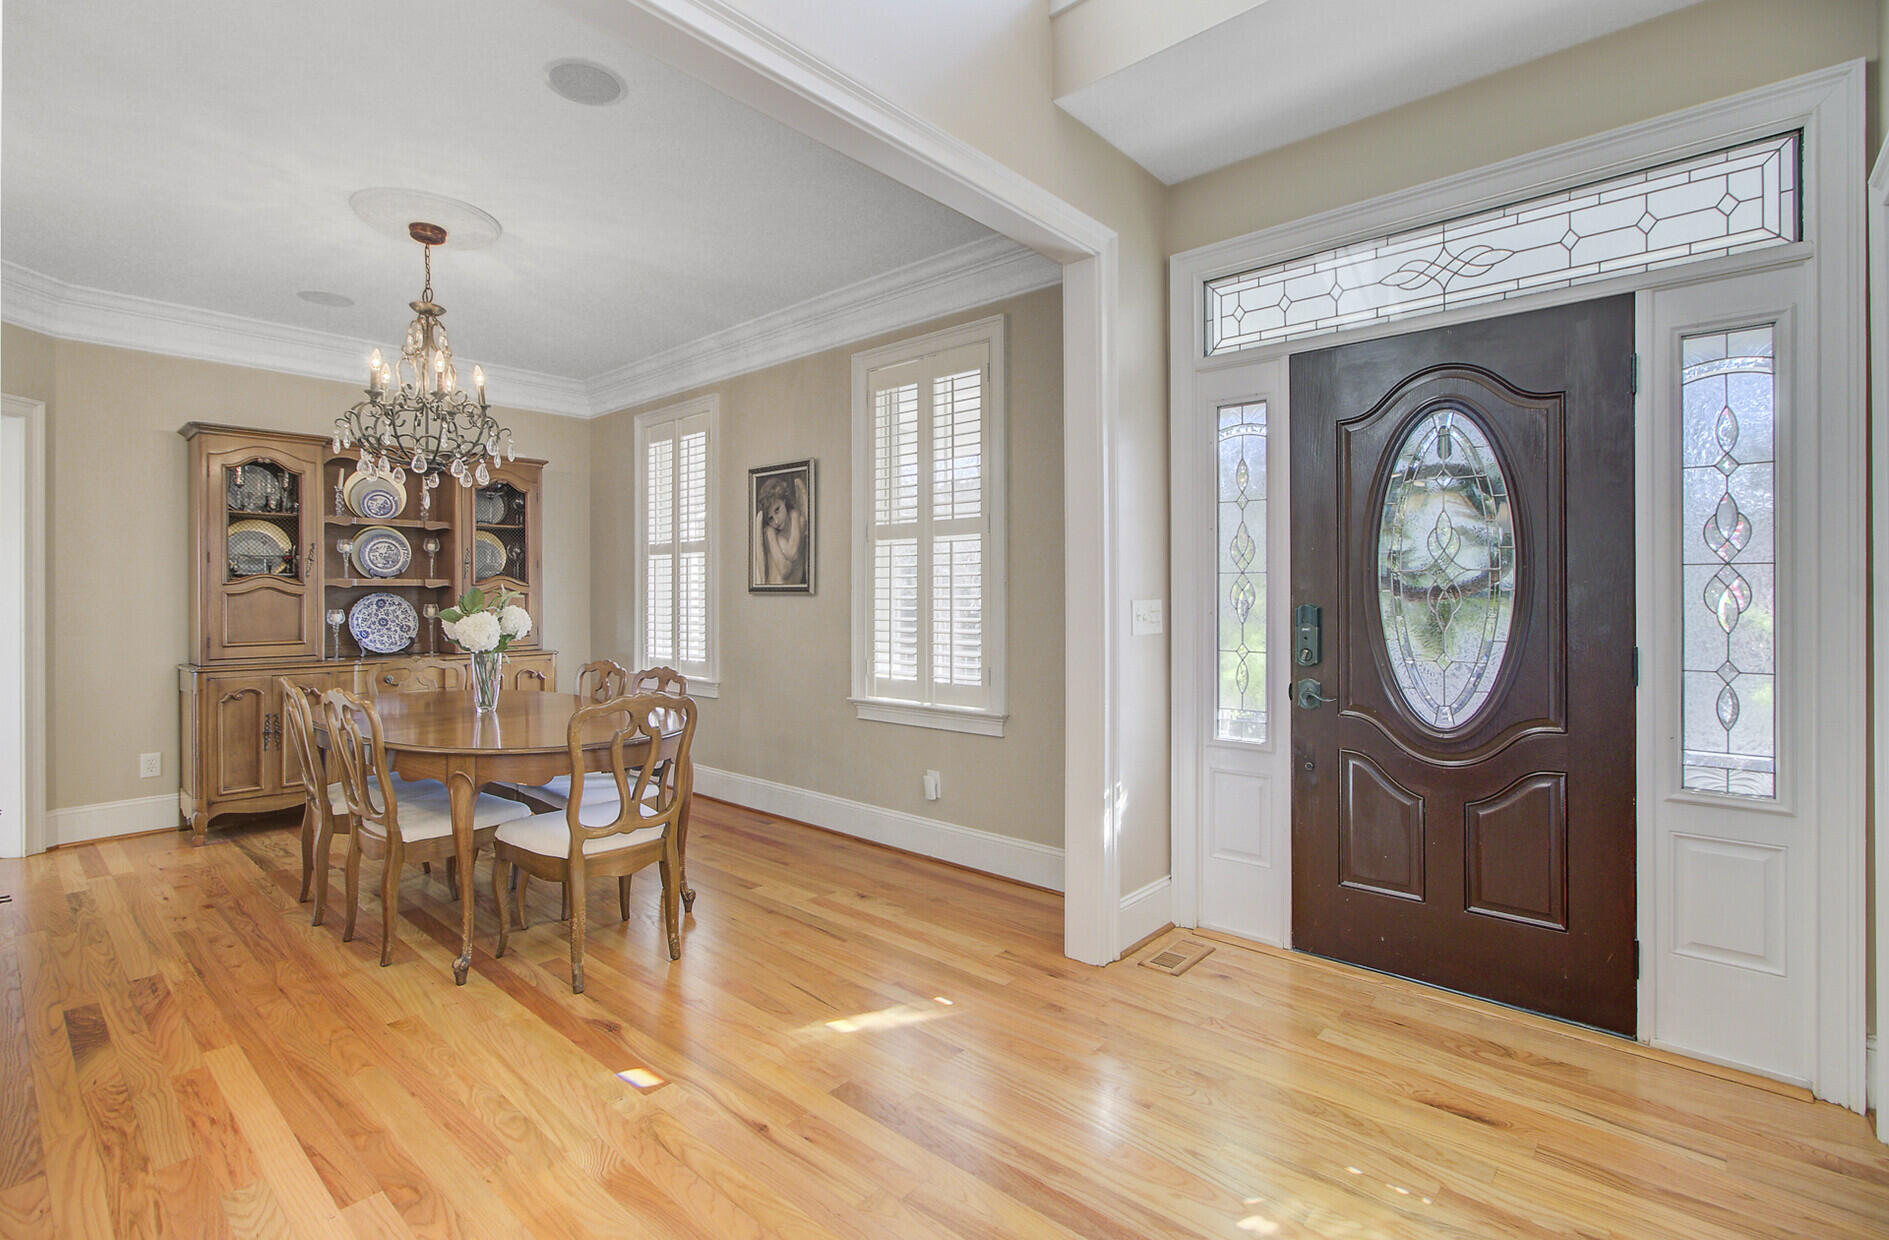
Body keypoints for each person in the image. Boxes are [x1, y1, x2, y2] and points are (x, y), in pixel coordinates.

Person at [754, 472, 808, 586]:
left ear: (783, 500)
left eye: (777, 510)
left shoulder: (800, 521)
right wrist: (771, 536)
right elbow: (784, 570)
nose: (777, 521)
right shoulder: (771, 533)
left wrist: (794, 516)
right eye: (771, 519)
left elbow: (793, 553)